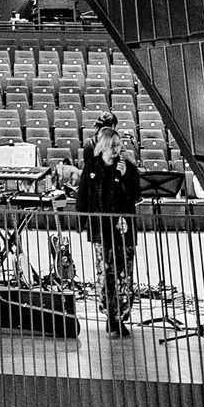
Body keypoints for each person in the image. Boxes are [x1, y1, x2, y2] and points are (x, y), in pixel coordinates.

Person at [75, 110, 140, 332]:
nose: (117, 150)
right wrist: (81, 222)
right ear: (103, 146)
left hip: (123, 230)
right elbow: (82, 195)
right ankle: (109, 314)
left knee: (124, 274)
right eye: (113, 146)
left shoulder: (128, 167)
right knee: (105, 273)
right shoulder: (91, 168)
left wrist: (122, 178)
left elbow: (135, 194)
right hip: (100, 230)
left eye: (119, 145)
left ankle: (120, 316)